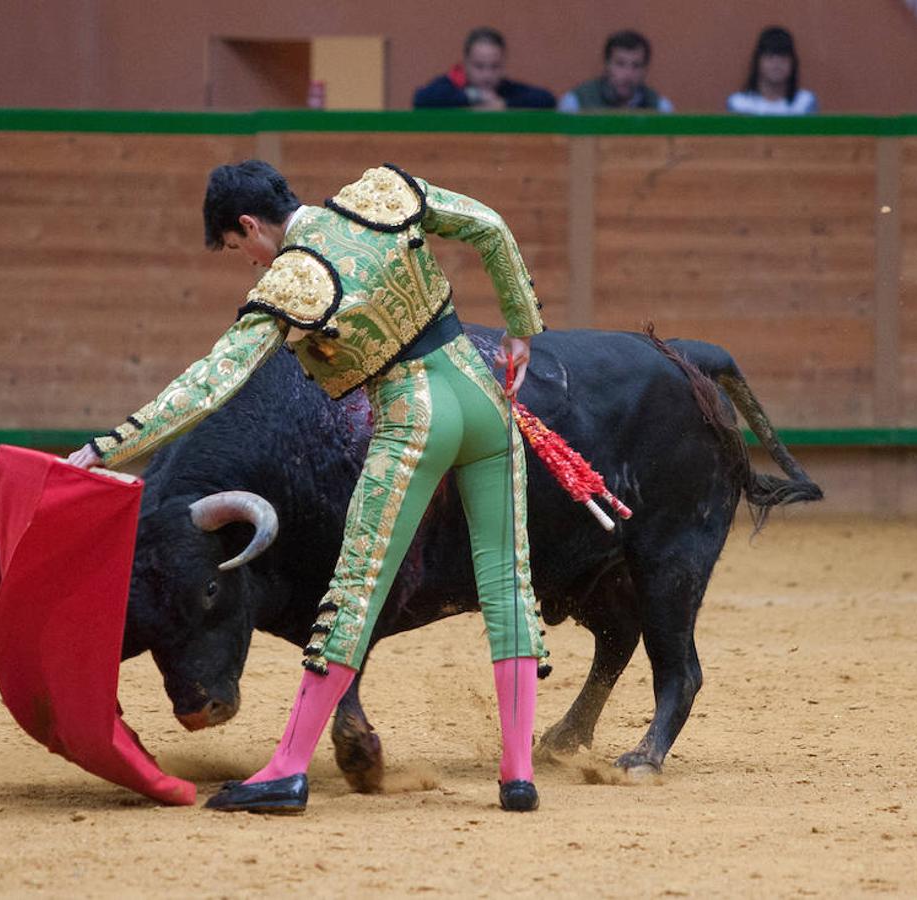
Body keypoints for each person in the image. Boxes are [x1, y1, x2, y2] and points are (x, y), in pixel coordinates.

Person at [67, 160, 552, 814]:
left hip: (415, 413)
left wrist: (106, 447)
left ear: (247, 225)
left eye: (239, 248)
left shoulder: (292, 280)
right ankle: (517, 775)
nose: (248, 263)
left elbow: (208, 384)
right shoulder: (382, 192)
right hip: (482, 393)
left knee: (352, 588)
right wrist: (519, 324)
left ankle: (288, 770)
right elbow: (488, 227)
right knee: (506, 580)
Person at [413, 27, 555, 109]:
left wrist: (504, 103)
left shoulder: (507, 90)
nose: (487, 75)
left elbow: (547, 99)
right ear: (466, 62)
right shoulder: (450, 85)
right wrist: (474, 96)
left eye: (495, 66)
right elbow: (421, 99)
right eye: (479, 66)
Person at [559, 30, 673, 112]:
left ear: (645, 70)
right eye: (620, 64)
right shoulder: (576, 103)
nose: (628, 74)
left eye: (636, 66)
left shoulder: (660, 108)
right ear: (606, 65)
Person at [726, 27, 818, 116]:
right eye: (770, 57)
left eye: (783, 57)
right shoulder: (739, 104)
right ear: (758, 62)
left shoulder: (804, 104)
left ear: (793, 63)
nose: (776, 64)